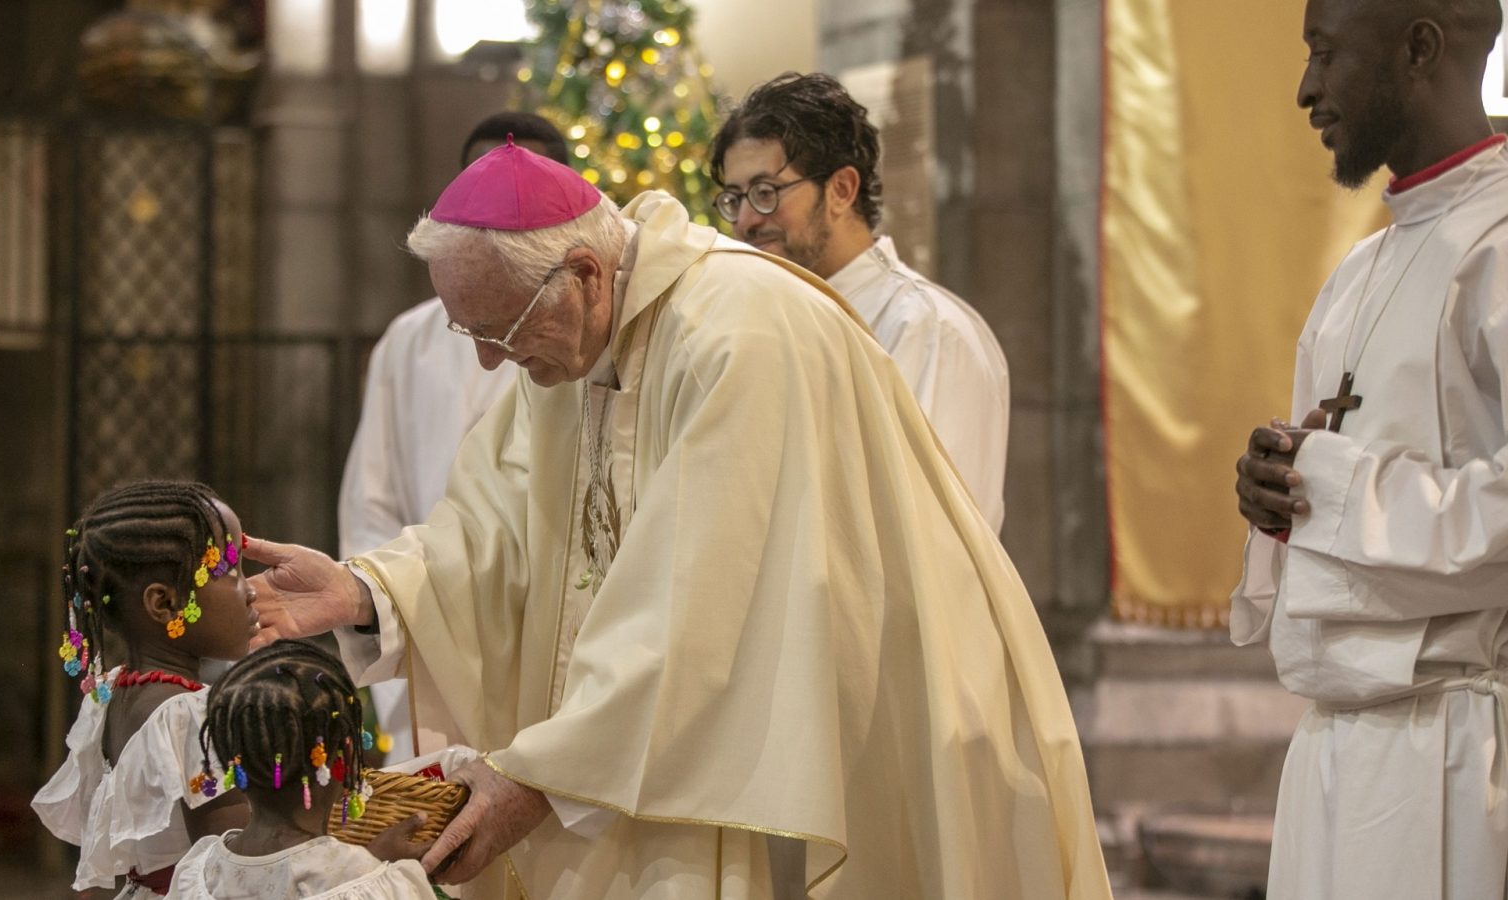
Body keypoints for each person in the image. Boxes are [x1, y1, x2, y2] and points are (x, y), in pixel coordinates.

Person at [247, 142, 1110, 897]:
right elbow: (490, 531)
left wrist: (540, 778)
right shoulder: (570, 352)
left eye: (500, 331)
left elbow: (702, 605)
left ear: (584, 275)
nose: (487, 362)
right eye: (466, 332)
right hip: (647, 755)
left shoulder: (740, 333)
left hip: (839, 735)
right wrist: (365, 591)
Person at [1231, 1, 1508, 897]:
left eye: (1326, 53)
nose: (1307, 89)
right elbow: (1322, 481)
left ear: (1419, 47)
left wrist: (1333, 490)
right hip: (1329, 752)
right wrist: (1274, 496)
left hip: (1460, 753)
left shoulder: (1500, 246)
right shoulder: (1357, 273)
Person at [338, 111, 569, 762]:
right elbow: (371, 501)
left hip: (534, 634)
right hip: (424, 627)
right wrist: (391, 622)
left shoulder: (576, 337)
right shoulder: (409, 340)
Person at [709, 71, 1011, 531]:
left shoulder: (925, 329)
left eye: (765, 192)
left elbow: (923, 533)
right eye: (734, 198)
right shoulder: (773, 324)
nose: (746, 220)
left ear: (841, 190)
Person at [33, 481, 258, 897]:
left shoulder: (114, 694)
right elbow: (236, 867)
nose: (251, 590)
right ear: (164, 604)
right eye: (230, 570)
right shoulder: (190, 715)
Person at [167, 639, 435, 899]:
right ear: (348, 755)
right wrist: (375, 870)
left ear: (230, 763)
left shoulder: (198, 873)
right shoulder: (379, 887)